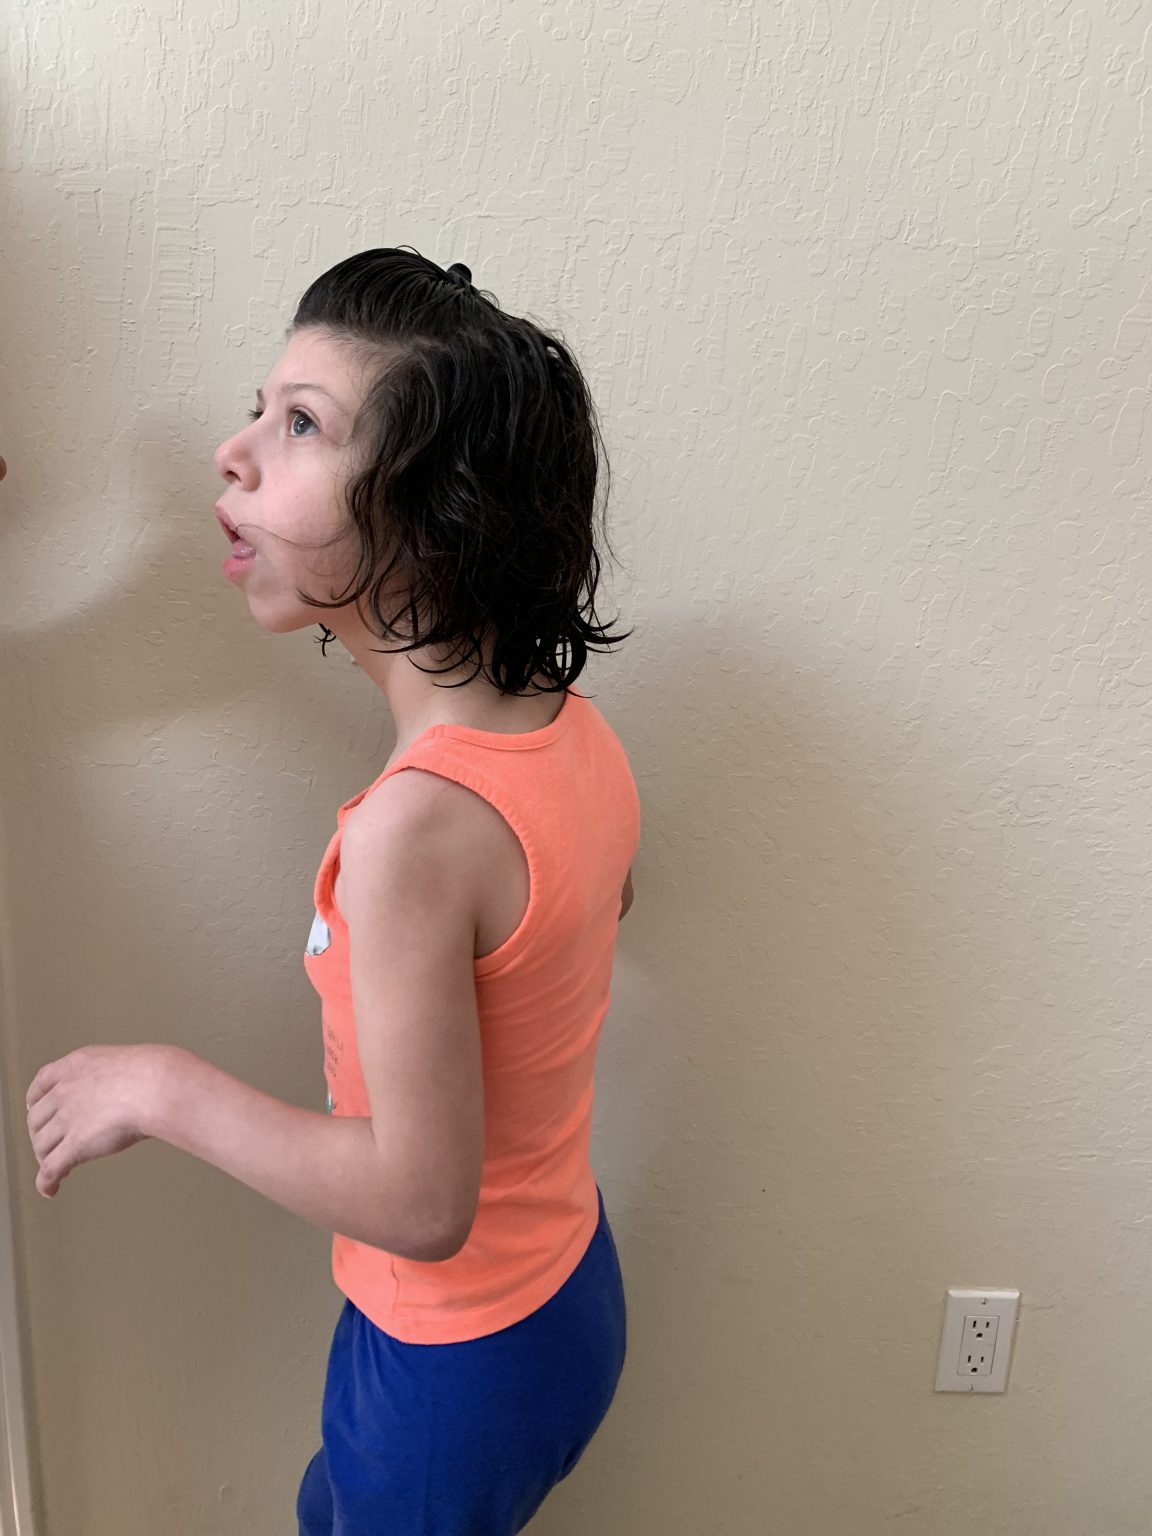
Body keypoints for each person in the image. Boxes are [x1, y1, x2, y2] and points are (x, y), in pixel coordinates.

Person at [24, 248, 641, 1534]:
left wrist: (161, 1086)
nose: (233, 454)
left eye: (301, 424)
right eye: (259, 410)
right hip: (566, 1291)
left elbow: (422, 1203)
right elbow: (593, 914)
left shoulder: (415, 833)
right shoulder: (567, 730)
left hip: (447, 1368)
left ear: (435, 518)